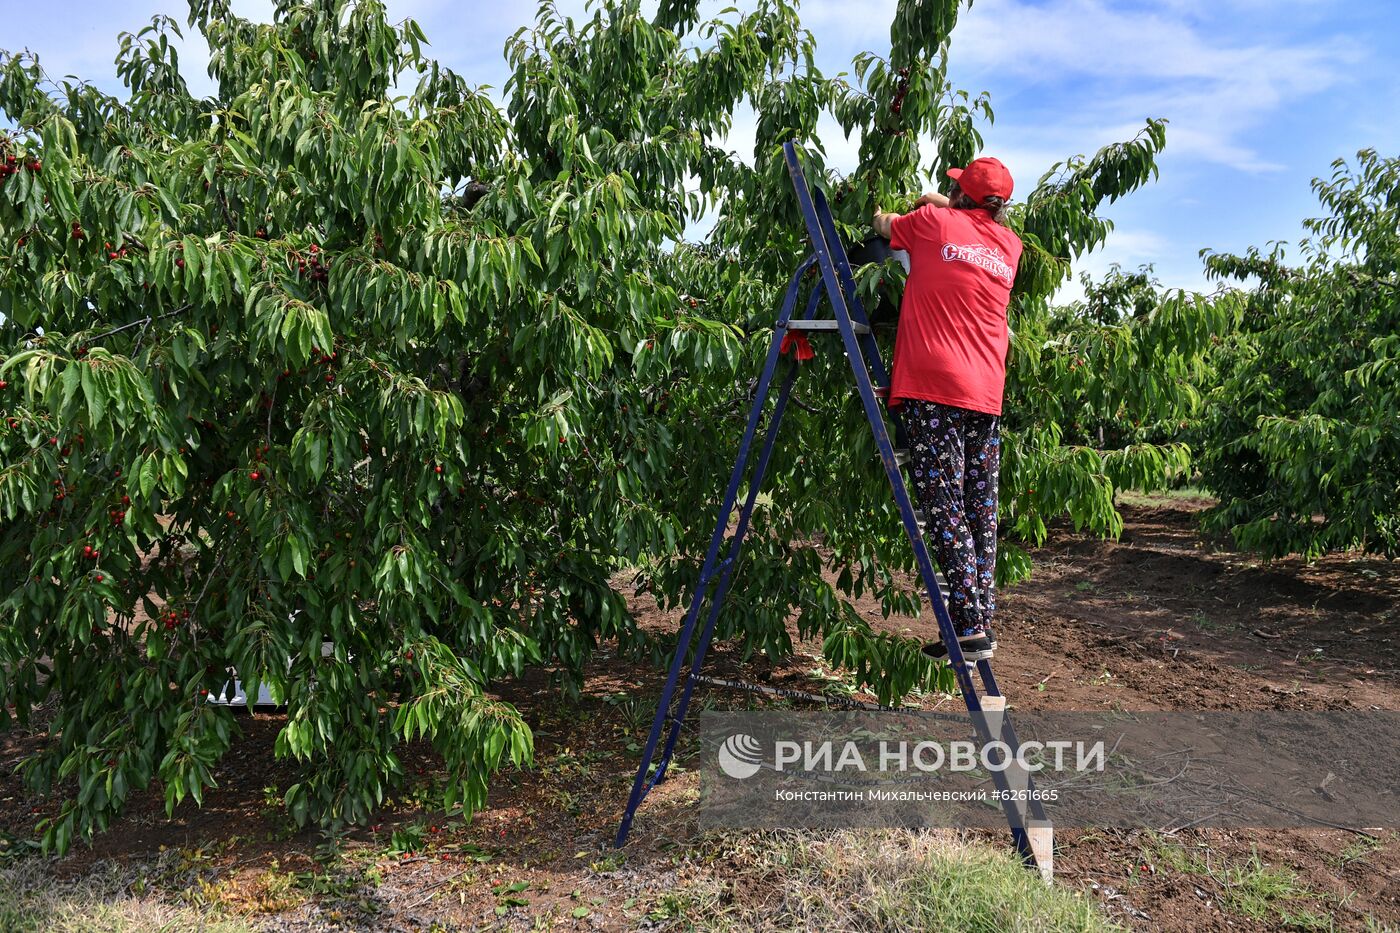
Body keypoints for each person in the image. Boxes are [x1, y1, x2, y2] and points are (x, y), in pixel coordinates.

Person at [871, 157, 1022, 662]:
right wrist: (945, 202)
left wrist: (878, 206)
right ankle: (981, 619)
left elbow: (885, 225)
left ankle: (967, 624)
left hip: (934, 384)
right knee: (980, 506)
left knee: (945, 505)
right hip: (986, 391)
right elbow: (970, 219)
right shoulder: (1009, 245)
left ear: (960, 198)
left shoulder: (933, 225)